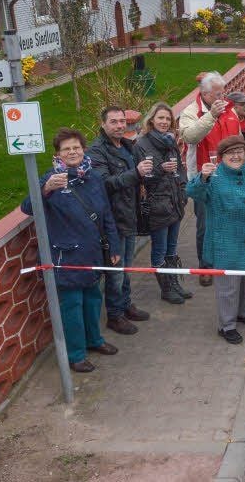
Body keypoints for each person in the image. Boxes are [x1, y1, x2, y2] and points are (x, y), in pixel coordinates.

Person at [21, 128, 121, 373]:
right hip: (67, 256)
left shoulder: (93, 177)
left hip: (93, 251)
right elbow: (27, 207)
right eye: (67, 149)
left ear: (83, 149)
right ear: (58, 154)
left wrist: (114, 245)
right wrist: (45, 190)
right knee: (72, 306)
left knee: (93, 299)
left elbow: (106, 213)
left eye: (76, 147)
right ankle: (76, 355)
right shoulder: (50, 179)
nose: (73, 152)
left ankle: (94, 340)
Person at [188, 135, 245, 344]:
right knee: (228, 287)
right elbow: (192, 192)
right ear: (222, 156)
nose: (236, 156)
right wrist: (202, 177)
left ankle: (242, 312)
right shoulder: (214, 175)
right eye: (230, 153)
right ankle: (227, 325)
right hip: (226, 242)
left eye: (239, 151)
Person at [88, 106, 153, 335]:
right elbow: (105, 184)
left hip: (129, 216)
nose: (119, 126)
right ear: (103, 124)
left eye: (122, 121)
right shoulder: (96, 151)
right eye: (114, 122)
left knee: (126, 267)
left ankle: (125, 305)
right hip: (113, 222)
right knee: (115, 271)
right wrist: (136, 173)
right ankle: (114, 315)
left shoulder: (127, 146)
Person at [180, 71, 244, 286]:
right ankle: (205, 266)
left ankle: (227, 261)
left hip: (230, 175)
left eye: (223, 93)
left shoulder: (229, 109)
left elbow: (238, 137)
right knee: (205, 226)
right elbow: (189, 136)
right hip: (204, 178)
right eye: (218, 94)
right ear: (205, 94)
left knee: (231, 219)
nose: (222, 97)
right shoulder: (191, 111)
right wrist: (211, 116)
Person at [135, 103, 189, 305]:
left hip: (175, 202)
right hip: (157, 205)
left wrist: (183, 190)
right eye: (160, 118)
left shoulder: (170, 141)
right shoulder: (142, 145)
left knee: (172, 248)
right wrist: (161, 169)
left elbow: (181, 169)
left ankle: (174, 284)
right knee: (160, 248)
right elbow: (143, 178)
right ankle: (166, 289)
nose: (164, 122)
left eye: (168, 119)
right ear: (151, 121)